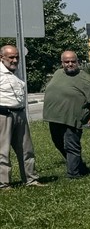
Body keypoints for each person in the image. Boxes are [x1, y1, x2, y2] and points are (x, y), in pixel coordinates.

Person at [42, 50, 90, 179]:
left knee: (71, 145)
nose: (70, 64)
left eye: (73, 61)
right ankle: (80, 167)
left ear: (78, 62)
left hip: (72, 118)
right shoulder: (58, 73)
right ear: (62, 63)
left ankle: (73, 174)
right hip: (55, 118)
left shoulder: (85, 79)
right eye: (66, 62)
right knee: (58, 143)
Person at [0, 44, 42, 188]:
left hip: (19, 113)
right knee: (2, 151)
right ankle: (4, 184)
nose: (15, 60)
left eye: (17, 57)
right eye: (11, 57)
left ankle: (31, 180)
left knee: (26, 149)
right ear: (2, 58)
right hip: (3, 115)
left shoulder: (17, 72)